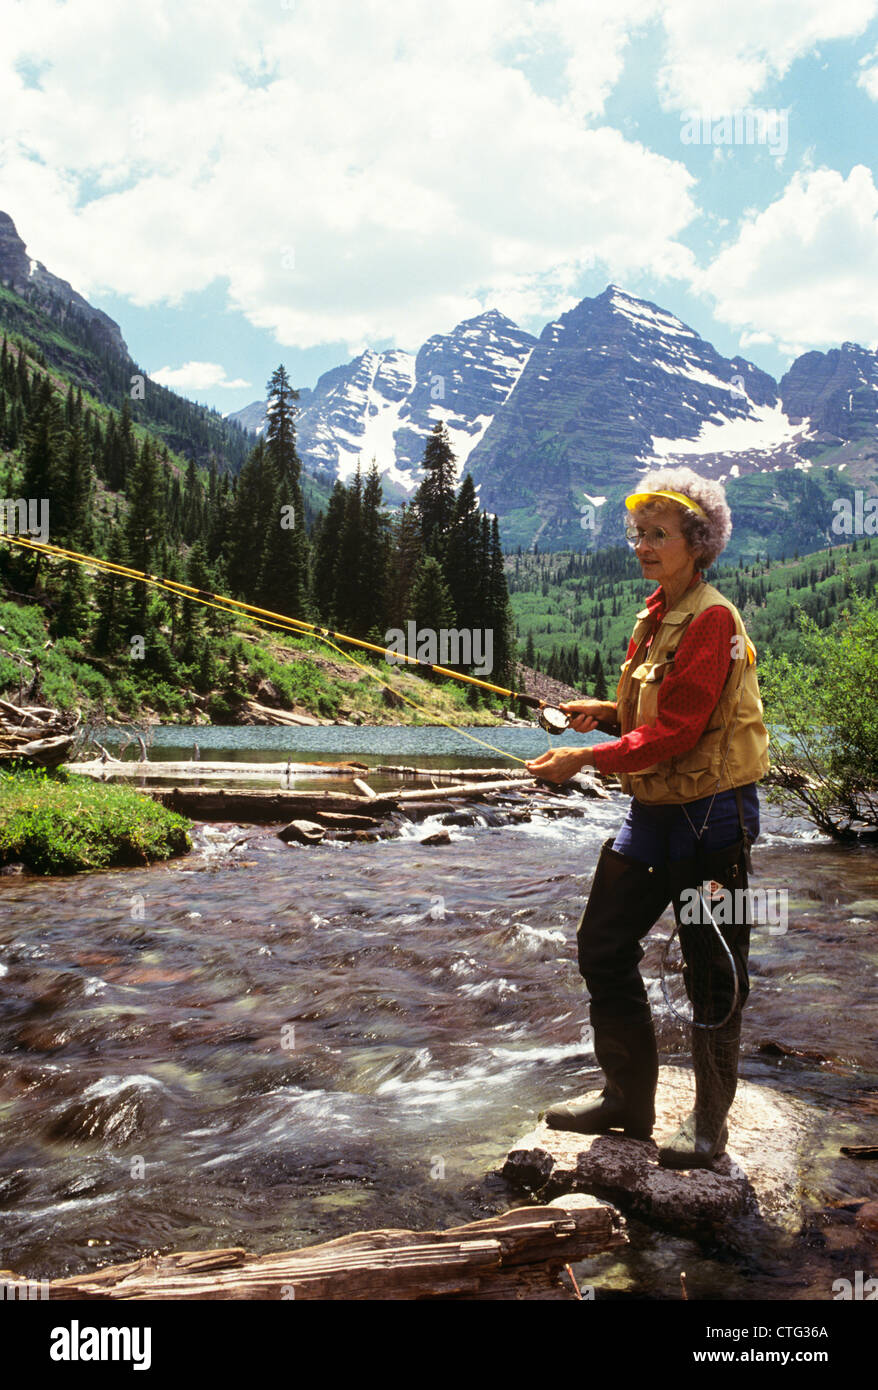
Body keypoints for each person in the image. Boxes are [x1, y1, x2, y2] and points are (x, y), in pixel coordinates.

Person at [524, 467, 769, 1168]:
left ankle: (707, 1129)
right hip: (653, 813)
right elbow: (651, 712)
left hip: (712, 821)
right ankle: (627, 1102)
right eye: (639, 533)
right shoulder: (657, 613)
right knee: (602, 945)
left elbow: (681, 731)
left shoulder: (713, 617)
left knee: (712, 970)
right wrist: (603, 710)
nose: (642, 545)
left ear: (698, 542)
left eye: (657, 534)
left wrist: (584, 758)